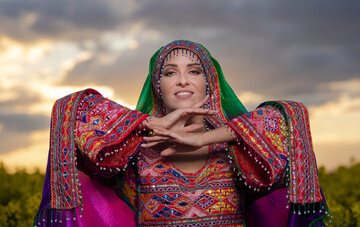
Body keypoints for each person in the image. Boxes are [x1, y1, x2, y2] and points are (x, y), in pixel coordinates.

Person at [34, 40, 330, 226]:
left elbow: (290, 116)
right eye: (170, 72)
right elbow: (70, 109)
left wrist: (205, 138)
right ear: (157, 86)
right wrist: (150, 124)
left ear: (210, 83)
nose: (182, 80)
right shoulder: (139, 147)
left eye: (194, 70)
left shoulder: (238, 147)